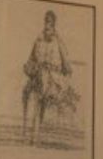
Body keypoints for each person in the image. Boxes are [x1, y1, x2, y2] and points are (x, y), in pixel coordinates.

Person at [22, 9, 74, 144]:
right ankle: (28, 132)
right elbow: (31, 59)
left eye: (50, 24)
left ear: (54, 25)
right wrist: (29, 67)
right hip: (39, 76)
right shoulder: (38, 40)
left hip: (54, 78)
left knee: (41, 88)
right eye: (46, 23)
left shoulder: (59, 42)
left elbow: (67, 65)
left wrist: (61, 74)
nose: (47, 26)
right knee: (30, 90)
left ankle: (34, 134)